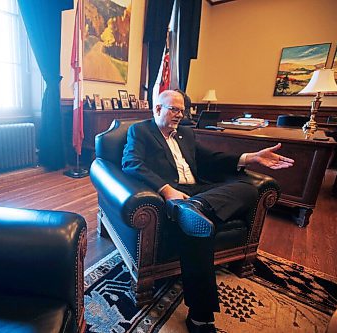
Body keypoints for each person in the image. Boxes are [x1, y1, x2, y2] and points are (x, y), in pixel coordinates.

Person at [122, 90, 294, 333]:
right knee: (198, 231)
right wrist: (165, 189)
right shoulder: (140, 132)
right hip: (174, 195)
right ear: (158, 109)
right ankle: (201, 317)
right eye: (174, 109)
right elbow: (131, 163)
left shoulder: (185, 133)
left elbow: (212, 158)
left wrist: (251, 158)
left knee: (248, 189)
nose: (180, 115)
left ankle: (196, 207)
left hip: (200, 194)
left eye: (183, 110)